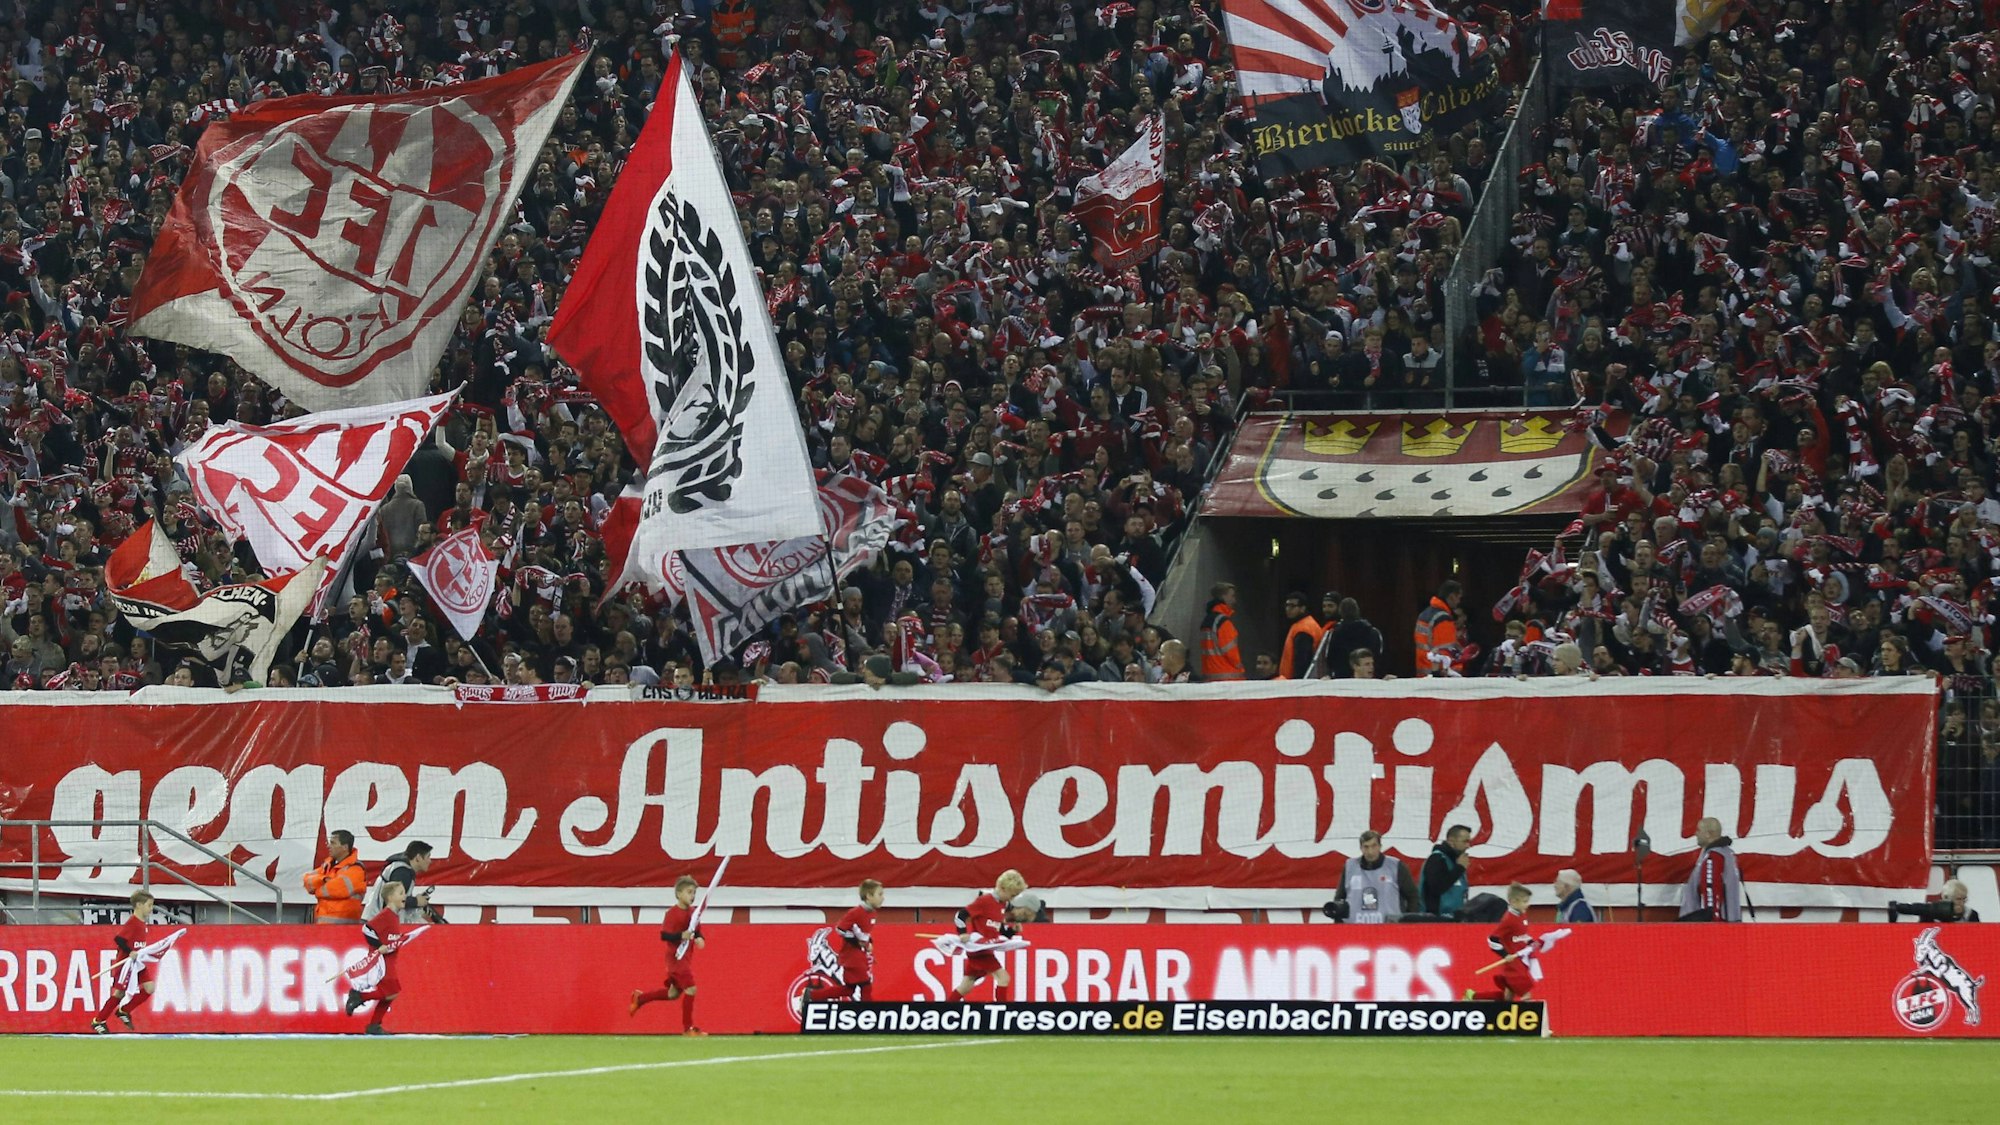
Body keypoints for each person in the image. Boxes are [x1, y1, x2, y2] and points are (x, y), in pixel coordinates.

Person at [630, 874, 707, 1036]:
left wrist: (700, 938)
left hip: (685, 958)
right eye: (689, 892)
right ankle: (688, 1029)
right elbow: (664, 935)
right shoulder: (672, 913)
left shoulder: (693, 913)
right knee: (691, 989)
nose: (692, 896)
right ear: (679, 894)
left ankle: (640, 998)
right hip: (675, 960)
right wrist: (681, 936)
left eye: (694, 893)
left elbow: (696, 930)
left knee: (673, 994)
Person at [344, 880, 412, 1035]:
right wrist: (379, 944)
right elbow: (367, 929)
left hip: (390, 961)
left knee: (391, 993)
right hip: (383, 962)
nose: (405, 896)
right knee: (391, 992)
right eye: (400, 893)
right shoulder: (386, 915)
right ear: (390, 897)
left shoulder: (394, 916)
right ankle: (360, 996)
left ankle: (374, 1025)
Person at [953, 869, 1032, 1001]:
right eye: (1011, 895)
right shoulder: (984, 901)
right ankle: (1001, 1012)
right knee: (1003, 978)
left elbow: (997, 929)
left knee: (966, 985)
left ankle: (946, 1006)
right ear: (1002, 888)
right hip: (979, 949)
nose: (1012, 899)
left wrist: (1013, 931)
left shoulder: (1002, 905)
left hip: (986, 948)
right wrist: (962, 933)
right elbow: (960, 916)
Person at [804, 879, 885, 1004]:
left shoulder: (872, 913)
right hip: (852, 957)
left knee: (849, 990)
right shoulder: (856, 912)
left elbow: (864, 933)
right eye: (880, 894)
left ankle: (812, 995)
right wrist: (856, 942)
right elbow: (840, 929)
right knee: (866, 986)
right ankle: (868, 1013)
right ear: (869, 896)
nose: (883, 898)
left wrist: (869, 942)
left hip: (859, 955)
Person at [90, 891, 156, 1034]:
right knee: (119, 993)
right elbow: (119, 939)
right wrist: (129, 951)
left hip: (138, 964)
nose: (151, 909)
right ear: (139, 905)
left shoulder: (142, 923)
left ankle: (124, 1010)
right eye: (149, 905)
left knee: (150, 988)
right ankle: (98, 1020)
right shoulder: (133, 922)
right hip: (126, 964)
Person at [1465, 884, 1539, 1001]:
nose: (1528, 905)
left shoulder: (1522, 915)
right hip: (1514, 966)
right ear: (1513, 901)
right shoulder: (1508, 919)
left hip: (1520, 962)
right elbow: (1492, 939)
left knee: (1507, 998)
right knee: (1526, 995)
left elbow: (1521, 935)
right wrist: (1505, 955)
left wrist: (1531, 942)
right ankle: (1529, 1017)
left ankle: (1473, 996)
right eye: (1525, 901)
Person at [1333, 831, 1419, 923]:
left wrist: (1408, 922)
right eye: (1366, 847)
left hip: (1390, 929)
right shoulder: (1350, 867)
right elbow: (1339, 898)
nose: (1370, 851)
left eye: (1374, 846)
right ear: (1361, 848)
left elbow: (1413, 896)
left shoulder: (1396, 866)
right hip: (1355, 929)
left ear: (1380, 846)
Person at [1678, 818, 1741, 921]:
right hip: (1728, 919)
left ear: (1708, 834)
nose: (1696, 834)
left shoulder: (1713, 857)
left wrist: (1713, 921)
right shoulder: (1727, 853)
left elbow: (1711, 888)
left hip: (1707, 923)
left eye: (1699, 830)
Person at [364, 841, 440, 923]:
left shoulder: (401, 868)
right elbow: (393, 899)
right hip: (378, 923)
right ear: (418, 858)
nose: (430, 861)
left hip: (376, 921)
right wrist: (416, 901)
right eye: (428, 857)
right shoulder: (402, 872)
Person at [304, 829, 367, 924]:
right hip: (323, 927)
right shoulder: (327, 865)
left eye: (333, 843)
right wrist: (324, 879)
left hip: (344, 929)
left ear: (345, 847)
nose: (329, 846)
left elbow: (336, 889)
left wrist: (317, 889)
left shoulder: (356, 869)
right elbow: (307, 880)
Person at [1420, 825, 1472, 916]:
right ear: (1451, 841)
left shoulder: (1456, 861)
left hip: (1455, 917)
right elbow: (1436, 888)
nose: (1468, 846)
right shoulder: (1437, 859)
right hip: (1437, 920)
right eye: (1465, 841)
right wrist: (1459, 868)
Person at [1198, 582, 1244, 681]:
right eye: (1232, 596)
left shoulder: (1207, 621)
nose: (1234, 600)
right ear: (1224, 596)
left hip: (1210, 677)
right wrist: (1240, 667)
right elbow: (1231, 653)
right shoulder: (1223, 622)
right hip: (1228, 679)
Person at [1414, 581, 1462, 675]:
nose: (1459, 602)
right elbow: (1446, 650)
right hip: (1438, 677)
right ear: (1452, 596)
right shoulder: (1443, 619)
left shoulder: (1424, 615)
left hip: (1422, 674)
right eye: (1458, 598)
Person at [1276, 591, 1323, 679]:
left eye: (1292, 606)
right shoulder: (1306, 624)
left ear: (1303, 608)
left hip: (1296, 683)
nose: (1288, 609)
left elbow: (1302, 662)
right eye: (1287, 605)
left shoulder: (1303, 629)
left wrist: (1298, 682)